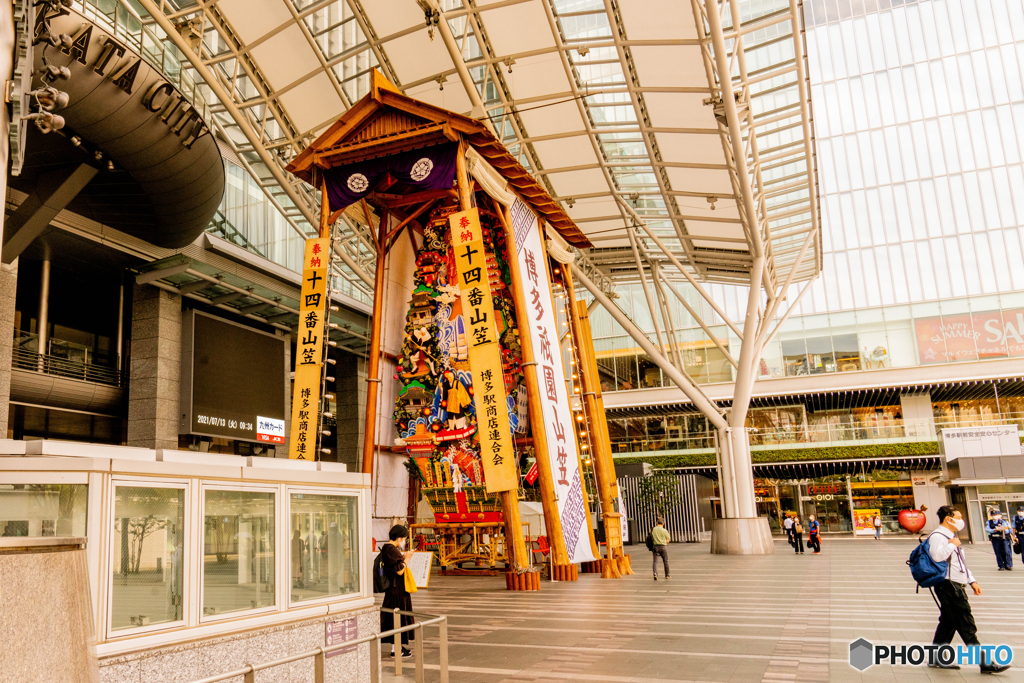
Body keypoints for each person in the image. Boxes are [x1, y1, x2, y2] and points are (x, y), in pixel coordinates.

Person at [927, 505, 1010, 673]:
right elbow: (936, 557)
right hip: (948, 585)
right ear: (948, 519)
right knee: (966, 624)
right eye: (958, 517)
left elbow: (959, 564)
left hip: (955, 584)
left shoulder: (950, 535)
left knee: (948, 623)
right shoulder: (938, 536)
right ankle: (985, 663)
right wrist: (952, 545)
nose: (961, 520)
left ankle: (935, 658)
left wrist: (972, 581)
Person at [379, 524, 415, 659]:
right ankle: (396, 650)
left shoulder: (387, 548)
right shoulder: (391, 549)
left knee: (396, 618)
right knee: (398, 618)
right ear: (399, 538)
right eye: (404, 538)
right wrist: (407, 559)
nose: (404, 541)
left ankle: (398, 647)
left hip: (394, 590)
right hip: (396, 590)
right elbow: (399, 570)